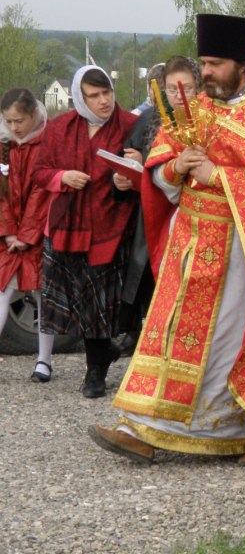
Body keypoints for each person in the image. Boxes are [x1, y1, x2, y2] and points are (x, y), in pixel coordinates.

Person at [91, 14, 245, 468]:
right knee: (173, 334)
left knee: (229, 341)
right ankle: (142, 426)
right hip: (190, 245)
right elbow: (161, 163)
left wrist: (219, 175)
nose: (206, 73)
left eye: (214, 64)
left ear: (241, 64)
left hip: (242, 254)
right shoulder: (199, 107)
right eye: (203, 63)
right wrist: (175, 170)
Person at [33, 65, 137, 398]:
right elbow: (39, 171)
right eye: (94, 96)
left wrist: (128, 178)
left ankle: (95, 372)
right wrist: (62, 177)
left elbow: (147, 171)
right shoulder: (60, 128)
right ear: (80, 97)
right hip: (65, 226)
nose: (104, 101)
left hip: (111, 226)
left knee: (100, 302)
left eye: (107, 92)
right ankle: (102, 352)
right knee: (77, 301)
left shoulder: (132, 125)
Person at [115, 55, 202, 356]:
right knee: (154, 283)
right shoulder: (152, 118)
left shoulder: (209, 118)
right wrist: (132, 166)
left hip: (203, 217)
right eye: (172, 89)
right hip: (158, 214)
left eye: (187, 89)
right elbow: (132, 154)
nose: (179, 95)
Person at [0, 88, 50, 381]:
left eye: (19, 120)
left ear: (33, 115)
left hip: (38, 235)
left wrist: (27, 234)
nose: (14, 127)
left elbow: (41, 193)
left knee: (42, 294)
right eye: (9, 121)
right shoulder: (4, 145)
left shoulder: (46, 144)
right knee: (3, 290)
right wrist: (7, 232)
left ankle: (44, 360)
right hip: (10, 237)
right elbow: (1, 195)